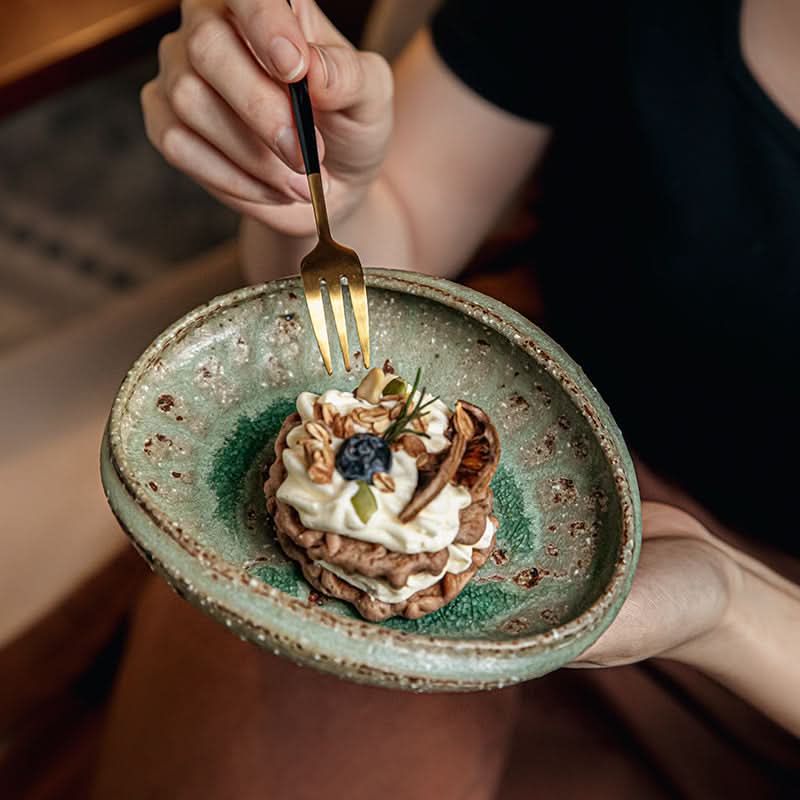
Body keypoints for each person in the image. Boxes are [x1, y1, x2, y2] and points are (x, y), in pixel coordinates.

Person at [93, 1, 800, 797]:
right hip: (521, 450)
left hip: (753, 669)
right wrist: (320, 192)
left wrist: (732, 606)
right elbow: (394, 244)